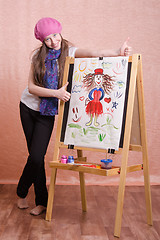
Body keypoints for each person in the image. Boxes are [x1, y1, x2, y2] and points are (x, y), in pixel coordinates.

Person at [17, 17, 132, 216]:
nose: (53, 41)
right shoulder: (37, 55)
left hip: (46, 112)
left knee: (37, 156)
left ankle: (23, 192)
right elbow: (31, 87)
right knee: (36, 158)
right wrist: (56, 94)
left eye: (55, 35)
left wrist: (117, 51)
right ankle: (40, 201)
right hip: (27, 107)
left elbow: (94, 53)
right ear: (42, 41)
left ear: (59, 32)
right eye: (47, 39)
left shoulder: (69, 52)